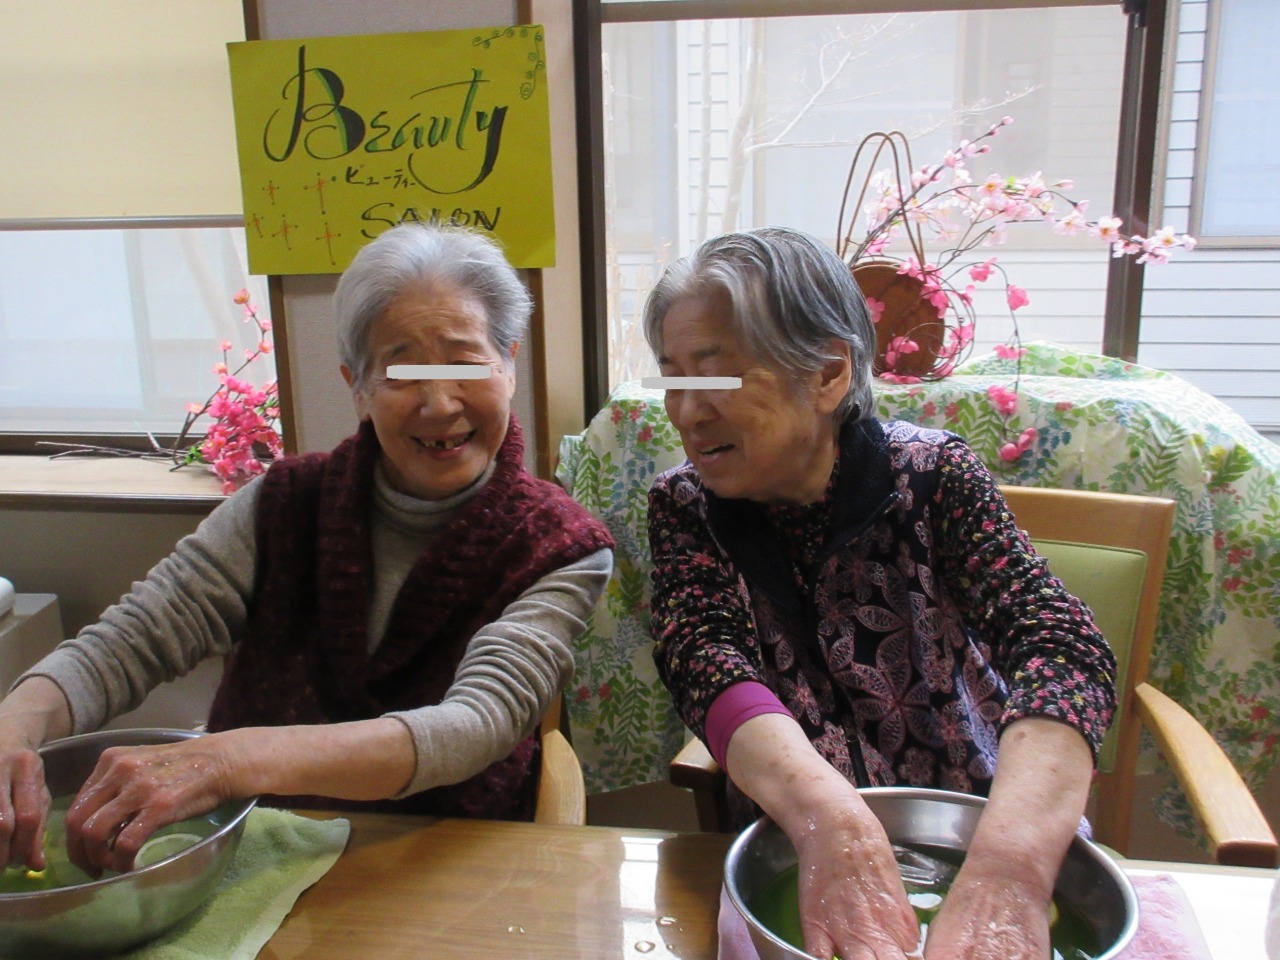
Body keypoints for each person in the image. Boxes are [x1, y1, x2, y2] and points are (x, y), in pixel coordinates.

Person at [0, 223, 613, 878]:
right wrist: (15, 724)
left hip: (446, 861)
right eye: (402, 372)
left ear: (509, 363)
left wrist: (225, 761)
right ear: (356, 386)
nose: (439, 404)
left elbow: (476, 723)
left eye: (464, 365)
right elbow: (134, 637)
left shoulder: (562, 545)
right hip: (258, 854)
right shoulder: (281, 504)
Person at [643, 226, 1116, 960]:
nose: (686, 412)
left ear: (828, 375)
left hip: (977, 827)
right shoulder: (685, 506)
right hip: (796, 839)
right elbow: (704, 660)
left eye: (716, 376)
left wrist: (1010, 869)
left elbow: (1061, 641)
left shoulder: (932, 477)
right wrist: (833, 820)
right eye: (674, 378)